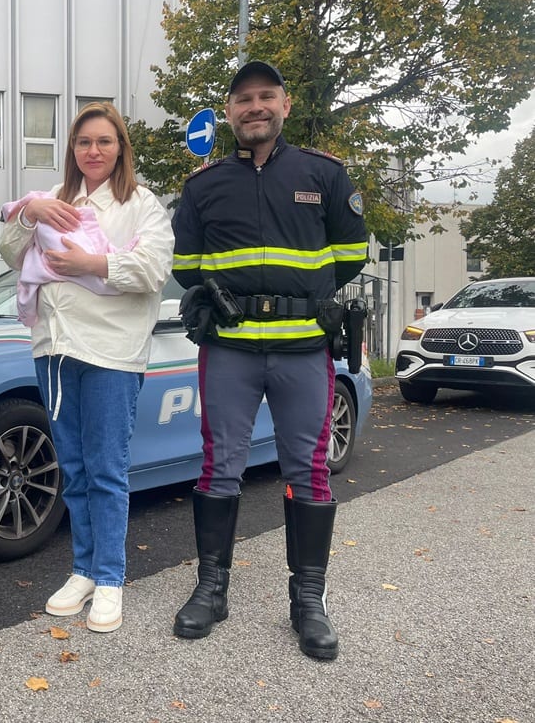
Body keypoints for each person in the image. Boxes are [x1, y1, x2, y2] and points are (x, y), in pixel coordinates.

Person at [171, 61, 368, 660]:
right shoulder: (203, 186)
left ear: (284, 104)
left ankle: (308, 600)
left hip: (301, 348)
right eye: (243, 100)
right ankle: (212, 587)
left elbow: (352, 252)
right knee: (218, 466)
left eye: (265, 97)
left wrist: (297, 296)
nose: (254, 107)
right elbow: (185, 266)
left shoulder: (324, 174)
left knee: (306, 470)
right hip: (229, 348)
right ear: (229, 113)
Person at [0, 102, 174, 633]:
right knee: (71, 466)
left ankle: (111, 577)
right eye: (83, 143)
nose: (93, 151)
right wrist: (29, 215)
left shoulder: (141, 205)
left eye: (103, 141)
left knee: (106, 468)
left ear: (121, 147)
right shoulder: (52, 199)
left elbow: (152, 270)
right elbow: (8, 252)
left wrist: (90, 264)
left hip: (111, 355)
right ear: (72, 150)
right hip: (54, 349)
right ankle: (83, 570)